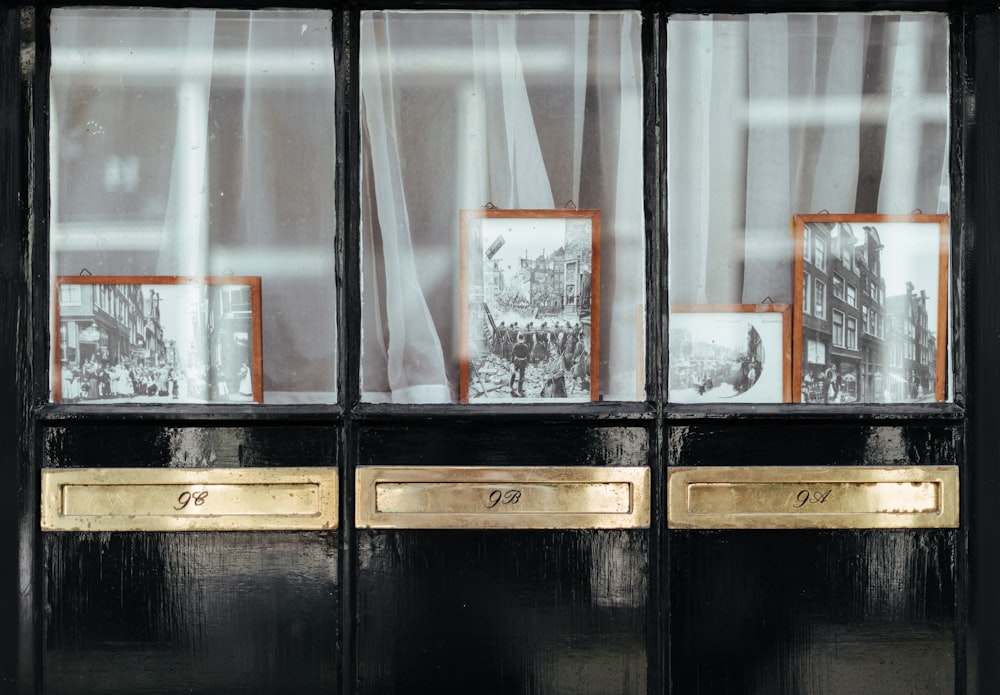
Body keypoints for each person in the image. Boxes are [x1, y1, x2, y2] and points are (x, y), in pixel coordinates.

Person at [509, 333, 530, 397]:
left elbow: (512, 354)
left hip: (516, 361)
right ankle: (519, 390)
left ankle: (511, 385)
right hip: (523, 362)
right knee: (521, 375)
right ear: (523, 339)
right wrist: (528, 361)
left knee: (514, 373)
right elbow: (528, 355)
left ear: (518, 338)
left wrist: (512, 362)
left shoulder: (516, 345)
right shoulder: (525, 346)